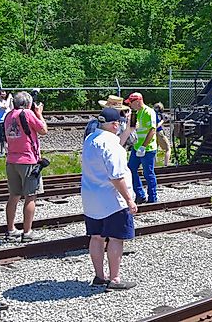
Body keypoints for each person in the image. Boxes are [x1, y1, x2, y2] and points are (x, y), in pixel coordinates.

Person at [81, 107, 138, 290]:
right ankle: (115, 279)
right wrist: (129, 200)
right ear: (115, 125)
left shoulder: (90, 139)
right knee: (115, 239)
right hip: (112, 200)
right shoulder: (112, 146)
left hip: (91, 198)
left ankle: (99, 276)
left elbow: (113, 145)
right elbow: (116, 176)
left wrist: (128, 130)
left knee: (96, 237)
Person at [3, 91, 48, 242]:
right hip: (27, 159)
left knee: (13, 196)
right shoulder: (27, 114)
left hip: (11, 159)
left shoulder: (9, 115)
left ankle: (10, 230)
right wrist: (39, 114)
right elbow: (43, 130)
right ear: (28, 104)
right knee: (31, 196)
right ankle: (27, 232)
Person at [123, 93, 158, 204]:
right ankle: (140, 194)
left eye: (131, 103)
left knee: (148, 173)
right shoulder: (137, 113)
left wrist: (143, 146)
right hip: (137, 147)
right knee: (131, 169)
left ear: (137, 101)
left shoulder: (149, 112)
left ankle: (152, 198)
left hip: (147, 149)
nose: (130, 106)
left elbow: (152, 130)